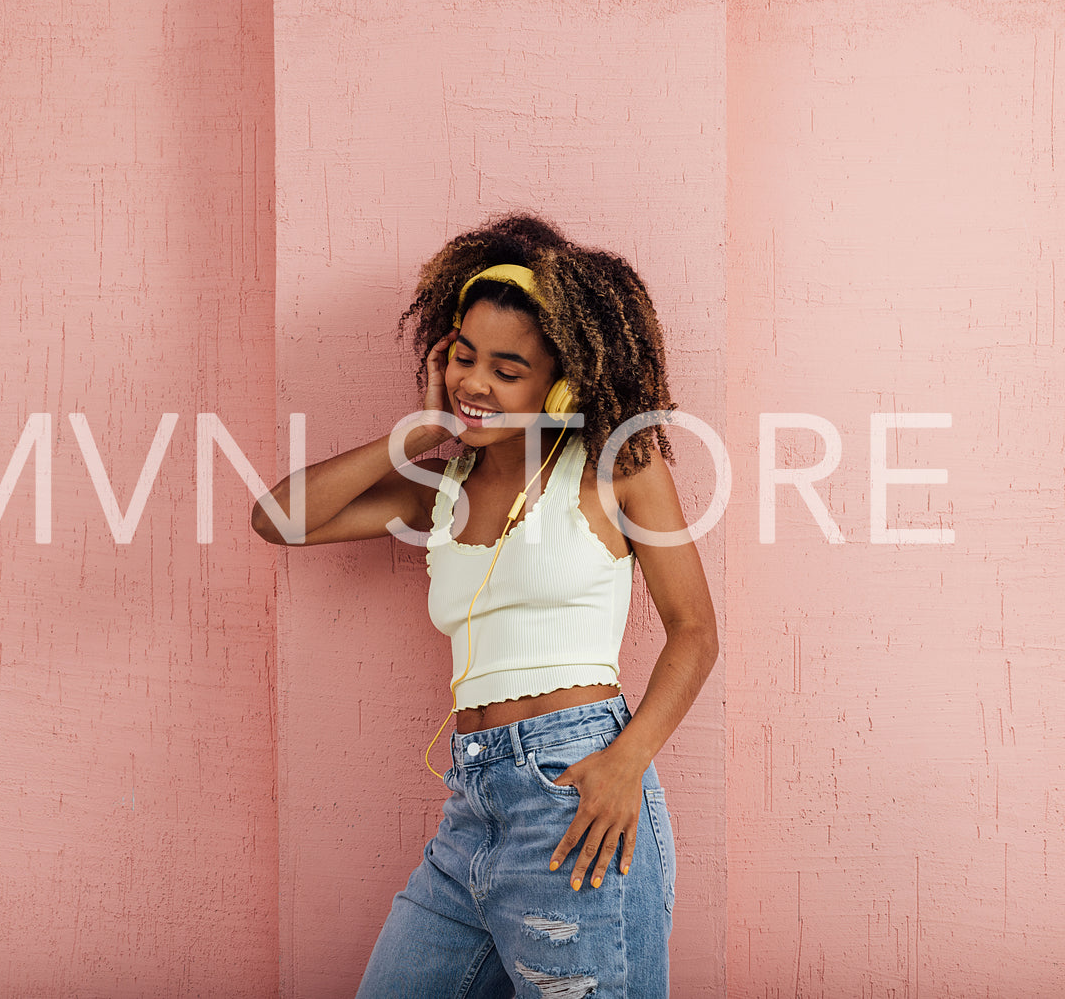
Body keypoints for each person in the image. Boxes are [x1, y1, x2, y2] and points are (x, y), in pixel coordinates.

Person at [252, 213, 718, 998]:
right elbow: (279, 519)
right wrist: (421, 429)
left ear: (562, 381)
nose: (476, 383)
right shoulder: (441, 488)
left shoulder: (613, 469)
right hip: (473, 802)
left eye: (508, 370)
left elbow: (695, 631)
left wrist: (625, 764)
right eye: (464, 358)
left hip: (572, 788)